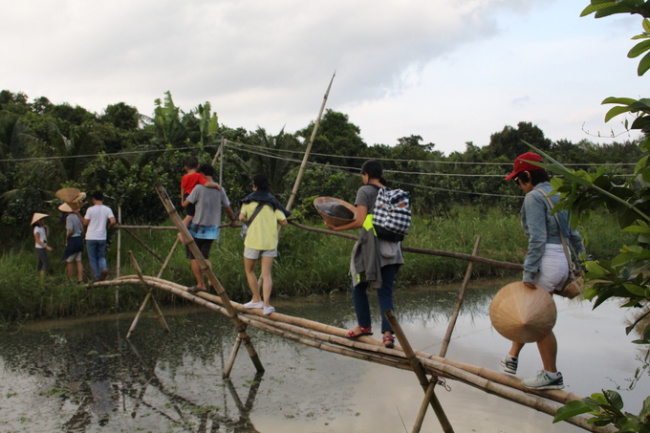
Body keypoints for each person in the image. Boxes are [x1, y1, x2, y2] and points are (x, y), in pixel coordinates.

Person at [501, 152, 586, 390]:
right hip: (562, 258)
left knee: (537, 320)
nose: (519, 185)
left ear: (527, 175)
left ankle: (551, 374)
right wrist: (584, 261)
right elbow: (573, 234)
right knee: (528, 313)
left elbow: (537, 237)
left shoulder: (533, 198)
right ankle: (512, 357)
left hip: (546, 260)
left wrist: (529, 272)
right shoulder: (558, 194)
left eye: (519, 180)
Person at [325, 160, 404, 348]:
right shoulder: (392, 193)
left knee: (358, 285)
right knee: (385, 291)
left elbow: (360, 220)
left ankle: (364, 325)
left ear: (366, 175)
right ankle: (387, 335)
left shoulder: (365, 191)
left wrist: (337, 228)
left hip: (372, 250)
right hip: (393, 249)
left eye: (362, 176)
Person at [239, 173, 290, 315]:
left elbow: (241, 217)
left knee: (250, 271)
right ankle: (267, 305)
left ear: (254, 186)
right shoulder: (273, 203)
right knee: (266, 274)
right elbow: (284, 221)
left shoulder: (247, 201)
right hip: (269, 242)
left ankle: (256, 298)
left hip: (252, 241)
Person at [182, 163, 236, 293]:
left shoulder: (198, 188)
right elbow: (228, 209)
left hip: (197, 228)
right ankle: (211, 280)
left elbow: (185, 204)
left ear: (202, 175)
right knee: (205, 257)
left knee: (194, 257)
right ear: (212, 175)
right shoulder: (220, 190)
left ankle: (201, 284)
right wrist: (232, 220)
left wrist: (183, 195)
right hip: (212, 230)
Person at [179, 156, 222, 243]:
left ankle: (187, 232)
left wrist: (182, 200)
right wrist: (216, 185)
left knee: (192, 215)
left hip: (187, 196)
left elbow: (182, 189)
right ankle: (181, 232)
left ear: (185, 167)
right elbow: (206, 184)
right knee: (190, 216)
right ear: (197, 166)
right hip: (194, 198)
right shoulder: (198, 176)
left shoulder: (184, 177)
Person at [81, 191, 116, 282]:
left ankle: (97, 277)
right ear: (102, 199)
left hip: (91, 236)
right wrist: (110, 225)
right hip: (102, 237)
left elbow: (85, 222)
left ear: (93, 199)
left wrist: (77, 214)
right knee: (101, 256)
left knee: (93, 258)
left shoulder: (90, 209)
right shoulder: (107, 209)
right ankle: (104, 269)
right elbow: (113, 221)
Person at [59, 202, 85, 283]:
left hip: (72, 240)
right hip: (79, 239)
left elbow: (70, 230)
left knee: (69, 261)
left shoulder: (69, 218)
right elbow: (82, 229)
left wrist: (67, 237)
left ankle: (70, 280)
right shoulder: (78, 216)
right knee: (78, 260)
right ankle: (80, 279)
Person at [32, 213, 53, 277]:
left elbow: (46, 236)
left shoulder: (42, 228)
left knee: (40, 262)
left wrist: (47, 228)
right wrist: (46, 247)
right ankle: (42, 277)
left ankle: (37, 274)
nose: (43, 221)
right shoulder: (36, 229)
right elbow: (37, 240)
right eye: (42, 220)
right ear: (38, 221)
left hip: (42, 247)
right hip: (40, 248)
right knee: (45, 262)